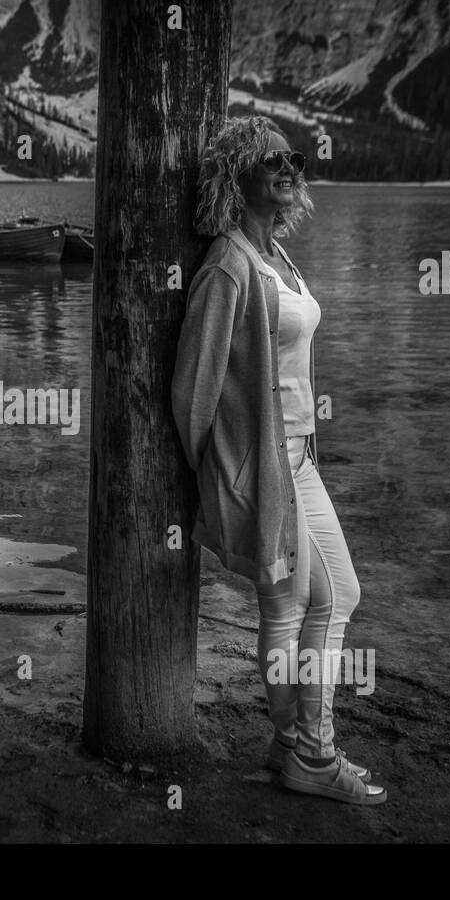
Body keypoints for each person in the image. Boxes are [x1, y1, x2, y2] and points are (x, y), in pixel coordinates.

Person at [170, 116, 386, 805]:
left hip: (302, 462)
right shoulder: (229, 265)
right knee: (298, 605)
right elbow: (191, 392)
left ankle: (294, 746)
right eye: (270, 161)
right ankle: (313, 756)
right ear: (238, 176)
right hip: (266, 469)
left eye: (294, 158)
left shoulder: (279, 259)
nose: (288, 169)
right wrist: (226, 472)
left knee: (323, 599)